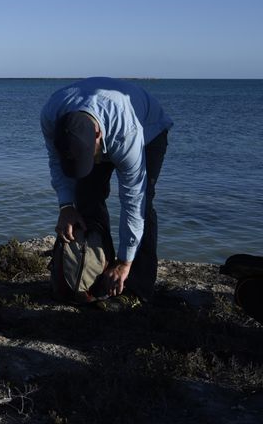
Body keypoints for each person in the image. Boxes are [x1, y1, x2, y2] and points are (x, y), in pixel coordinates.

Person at [41, 77, 173, 300]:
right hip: (99, 126)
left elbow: (133, 200)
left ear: (97, 135)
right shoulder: (50, 117)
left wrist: (125, 262)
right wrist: (66, 206)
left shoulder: (126, 133)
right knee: (86, 197)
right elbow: (56, 163)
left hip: (148, 131)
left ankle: (137, 288)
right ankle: (94, 273)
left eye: (89, 157)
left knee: (144, 205)